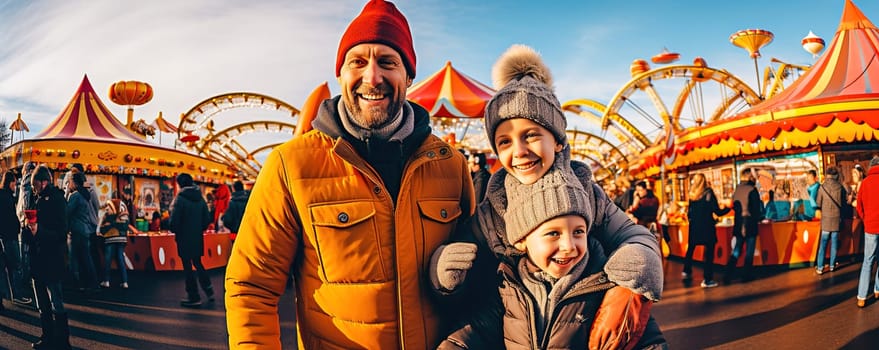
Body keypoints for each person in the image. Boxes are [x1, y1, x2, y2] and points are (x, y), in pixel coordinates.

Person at [225, 1, 476, 347]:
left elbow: (481, 281)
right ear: (340, 74)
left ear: (409, 76)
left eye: (388, 62)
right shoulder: (290, 165)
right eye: (358, 61)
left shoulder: (450, 164)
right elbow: (252, 286)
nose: (372, 77)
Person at [440, 44, 663, 349]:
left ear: (557, 141)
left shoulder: (586, 192)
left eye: (530, 135)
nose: (518, 151)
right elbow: (463, 253)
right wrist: (442, 271)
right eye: (504, 141)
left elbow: (633, 235)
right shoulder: (495, 208)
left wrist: (632, 275)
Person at [438, 146, 665, 349]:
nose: (568, 246)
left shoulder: (607, 283)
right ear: (521, 240)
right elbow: (474, 333)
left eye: (578, 231)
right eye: (553, 233)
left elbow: (647, 340)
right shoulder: (505, 285)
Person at [27, 165, 71, 349]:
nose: (35, 188)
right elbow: (34, 234)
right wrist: (28, 229)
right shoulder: (35, 199)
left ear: (44, 182)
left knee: (56, 302)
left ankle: (62, 341)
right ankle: (47, 338)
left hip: (52, 259)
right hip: (37, 259)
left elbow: (61, 233)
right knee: (42, 304)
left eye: (36, 185)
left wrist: (40, 231)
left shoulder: (58, 199)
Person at [170, 173, 214, 308]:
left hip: (184, 238)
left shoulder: (180, 199)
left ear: (180, 184)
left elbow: (174, 222)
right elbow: (206, 220)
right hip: (197, 237)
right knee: (198, 262)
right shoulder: (200, 199)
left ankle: (193, 296)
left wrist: (174, 228)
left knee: (187, 267)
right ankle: (208, 289)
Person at [683, 173, 730, 288]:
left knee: (691, 248)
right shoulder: (708, 193)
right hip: (707, 225)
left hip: (694, 226)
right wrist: (728, 208)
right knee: (709, 252)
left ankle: (686, 270)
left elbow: (689, 213)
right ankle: (707, 279)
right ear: (704, 181)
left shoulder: (692, 195)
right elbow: (717, 211)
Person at [725, 168, 764, 283]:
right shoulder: (752, 190)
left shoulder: (737, 190)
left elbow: (734, 206)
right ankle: (746, 274)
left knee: (737, 249)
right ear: (749, 177)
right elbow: (756, 209)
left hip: (738, 223)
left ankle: (728, 273)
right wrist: (760, 217)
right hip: (750, 223)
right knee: (749, 250)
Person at [66, 172, 99, 292]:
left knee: (73, 259)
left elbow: (67, 212)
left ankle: (75, 284)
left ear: (74, 182)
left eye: (69, 181)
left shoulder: (75, 195)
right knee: (86, 259)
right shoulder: (85, 195)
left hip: (76, 231)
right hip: (85, 230)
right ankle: (93, 284)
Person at [856, 156, 879, 307]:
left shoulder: (864, 183)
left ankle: (862, 297)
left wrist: (866, 220)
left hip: (870, 227)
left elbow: (859, 206)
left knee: (868, 261)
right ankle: (877, 289)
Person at [815, 166, 846, 275]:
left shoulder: (822, 188)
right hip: (836, 219)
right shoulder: (840, 188)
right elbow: (844, 204)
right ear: (836, 175)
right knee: (834, 244)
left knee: (823, 244)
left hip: (826, 220)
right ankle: (832, 265)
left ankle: (820, 267)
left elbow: (818, 203)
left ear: (827, 175)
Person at [99, 194, 130, 289]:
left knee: (108, 259)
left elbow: (102, 229)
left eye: (109, 206)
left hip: (110, 239)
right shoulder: (124, 216)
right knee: (120, 259)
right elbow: (125, 227)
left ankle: (106, 281)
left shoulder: (108, 217)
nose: (107, 208)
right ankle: (124, 281)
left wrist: (110, 224)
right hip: (122, 240)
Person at [1, 170, 21, 311]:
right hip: (9, 236)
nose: (15, 185)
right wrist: (18, 226)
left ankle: (6, 295)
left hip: (3, 235)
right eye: (14, 182)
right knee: (14, 265)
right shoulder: (7, 197)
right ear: (10, 182)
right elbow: (10, 218)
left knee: (3, 268)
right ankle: (16, 293)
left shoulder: (3, 195)